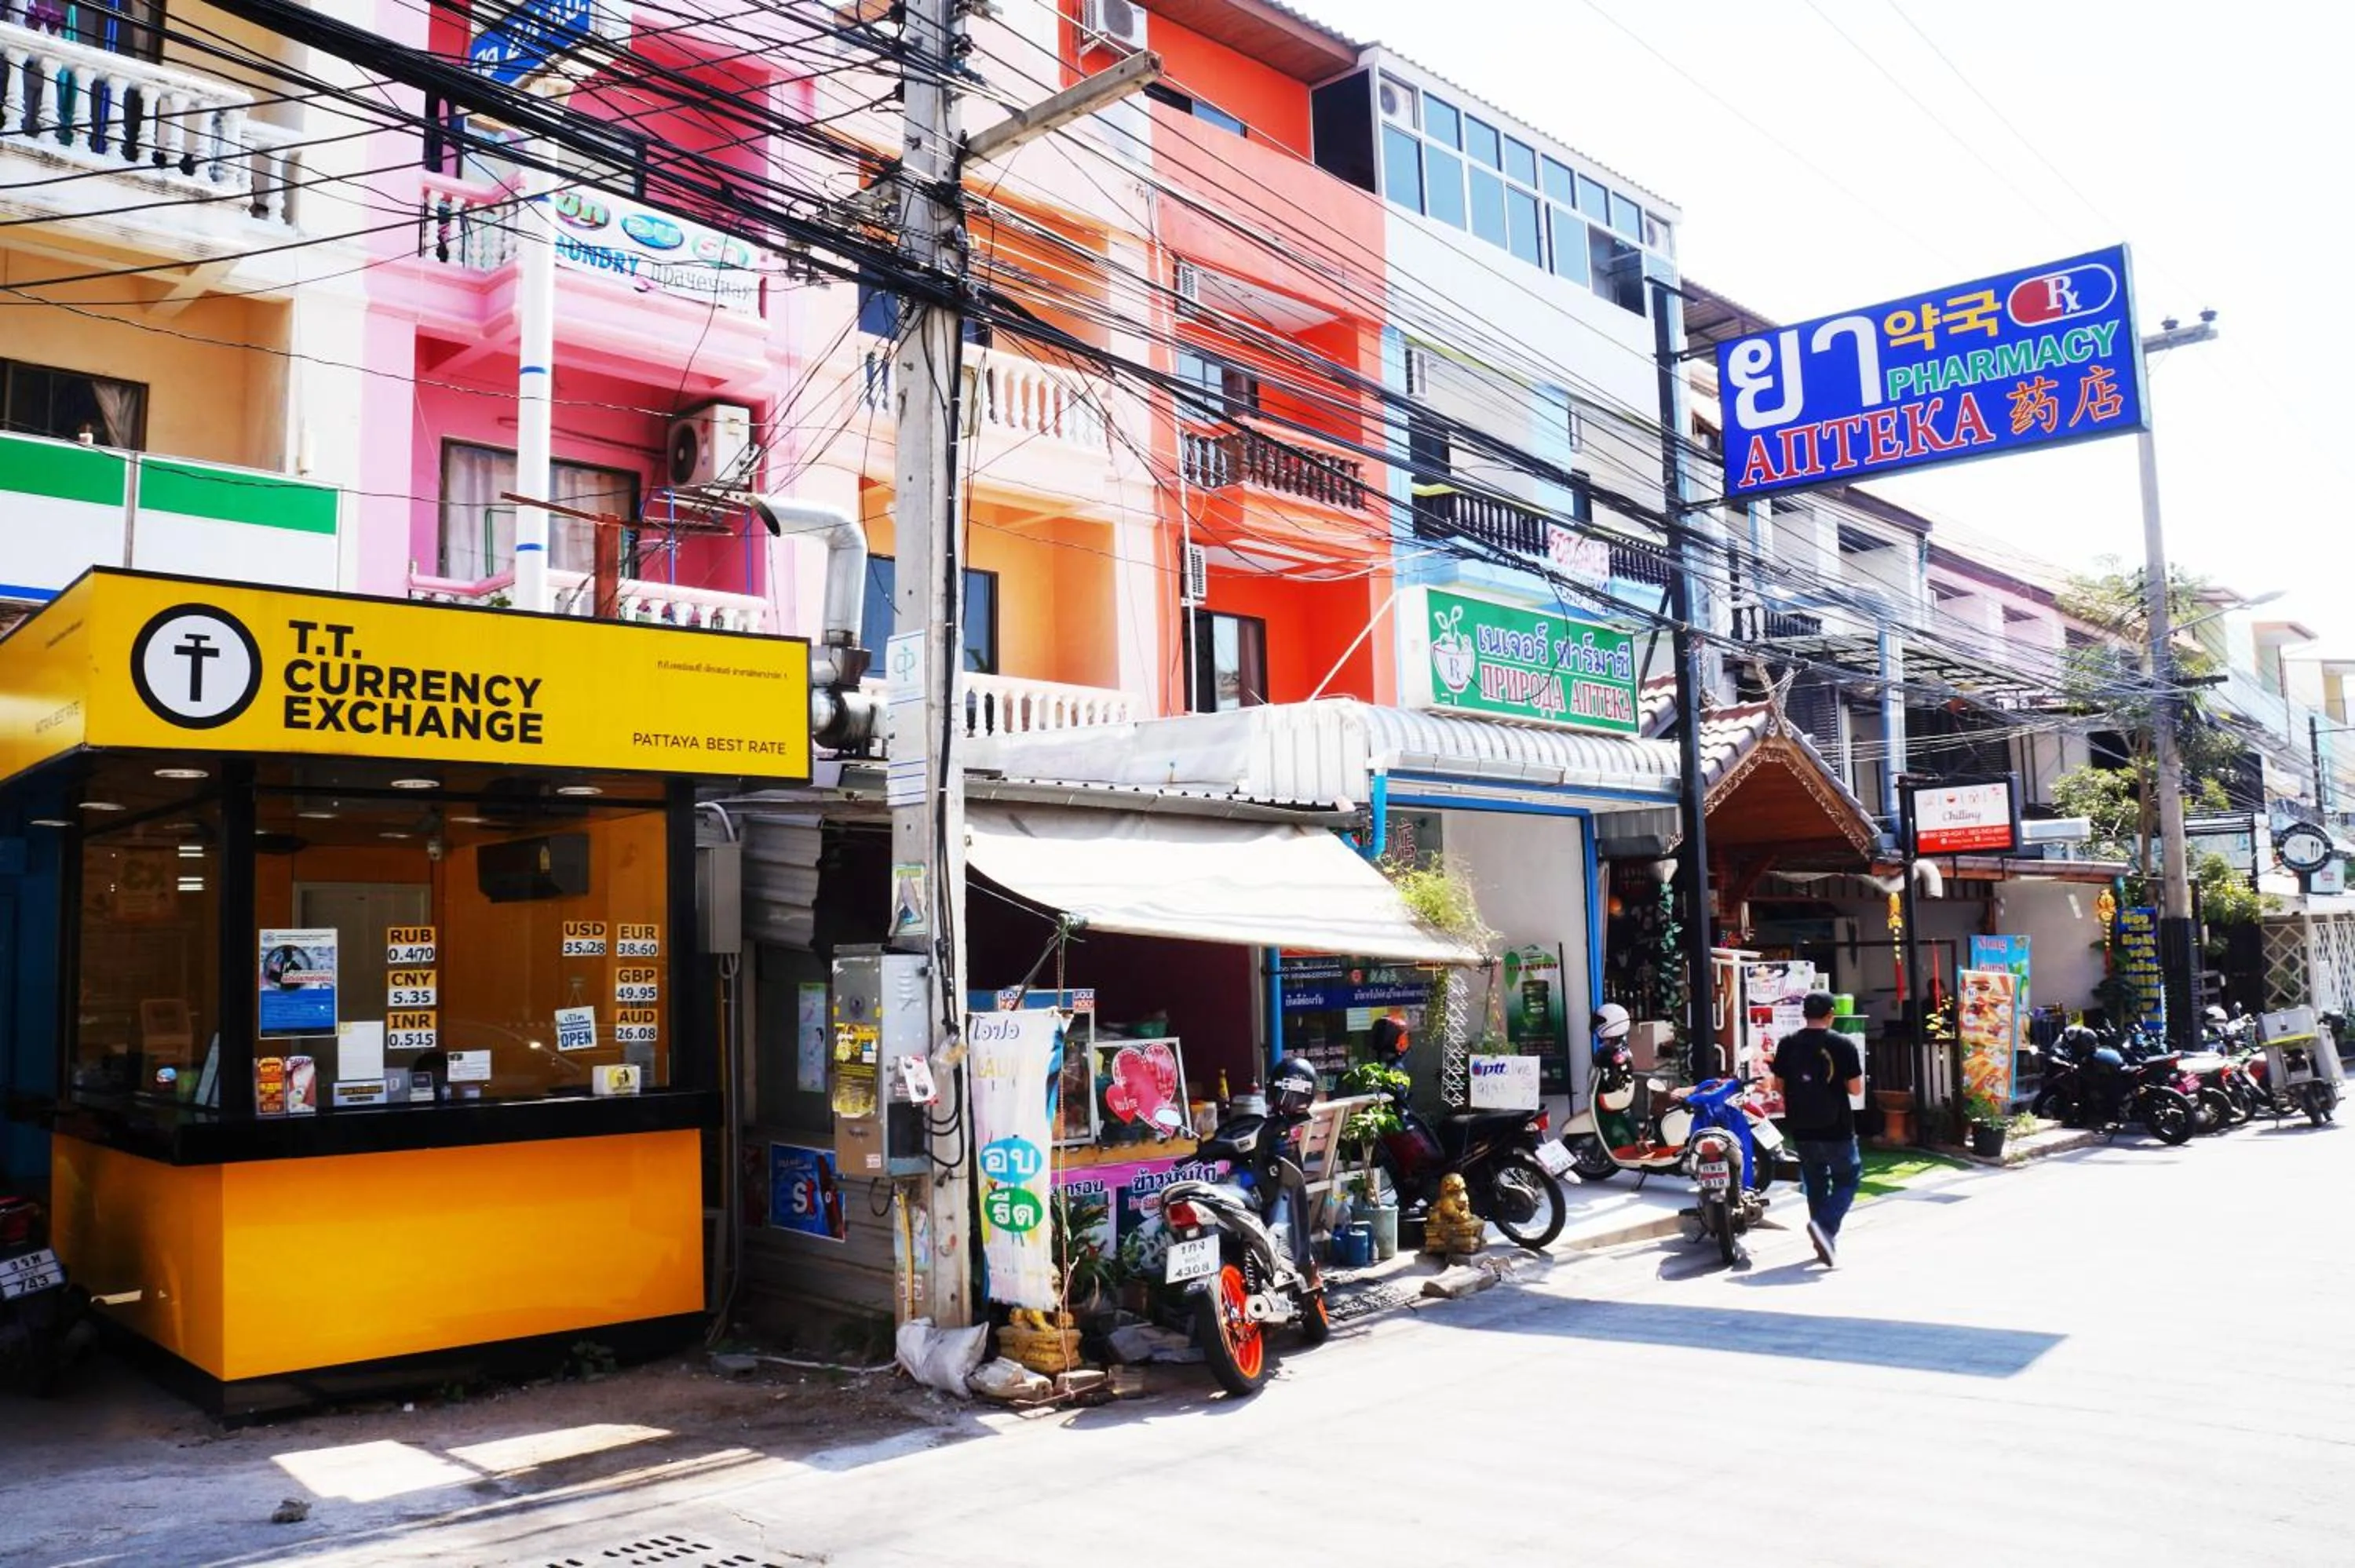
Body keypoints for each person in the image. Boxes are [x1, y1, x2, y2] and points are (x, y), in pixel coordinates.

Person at [1769, 992, 1864, 1268]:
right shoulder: (1843, 1045)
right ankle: (1824, 1226)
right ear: (1831, 1014)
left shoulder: (1787, 1045)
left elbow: (1779, 1086)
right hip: (1837, 1126)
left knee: (1816, 1181)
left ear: (1804, 1015)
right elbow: (1856, 1089)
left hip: (1800, 1125)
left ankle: (1823, 1241)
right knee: (1847, 1179)